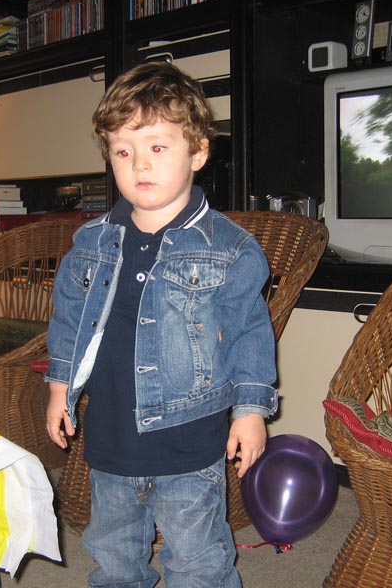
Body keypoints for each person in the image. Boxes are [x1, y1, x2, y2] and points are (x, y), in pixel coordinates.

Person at [45, 61, 278, 588]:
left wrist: (250, 411)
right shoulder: (91, 243)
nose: (139, 164)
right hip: (109, 440)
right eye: (123, 152)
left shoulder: (229, 248)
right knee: (112, 557)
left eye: (157, 147)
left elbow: (250, 333)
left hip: (189, 443)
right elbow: (68, 321)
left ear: (197, 153)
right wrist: (60, 389)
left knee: (198, 562)